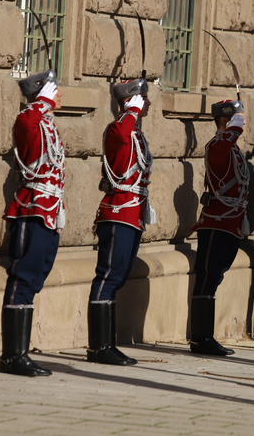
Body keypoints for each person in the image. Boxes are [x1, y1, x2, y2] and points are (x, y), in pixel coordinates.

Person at [0, 70, 65, 377]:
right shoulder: (30, 119)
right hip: (33, 209)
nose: (60, 94)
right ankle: (12, 356)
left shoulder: (47, 123)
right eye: (55, 89)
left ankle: (21, 353)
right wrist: (40, 102)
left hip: (49, 209)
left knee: (35, 278)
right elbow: (25, 124)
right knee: (22, 278)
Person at [87, 79, 154, 366]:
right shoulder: (118, 129)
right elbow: (121, 132)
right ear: (131, 102)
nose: (148, 104)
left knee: (118, 278)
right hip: (118, 213)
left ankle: (107, 344)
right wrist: (131, 112)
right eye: (143, 99)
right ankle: (99, 347)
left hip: (132, 214)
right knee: (108, 277)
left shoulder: (136, 134)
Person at [190, 99, 249, 356]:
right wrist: (233, 130)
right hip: (216, 222)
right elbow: (221, 151)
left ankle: (205, 337)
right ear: (224, 121)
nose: (242, 122)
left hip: (230, 222)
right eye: (237, 118)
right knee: (207, 279)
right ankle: (201, 338)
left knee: (214, 279)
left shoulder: (233, 148)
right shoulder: (217, 145)